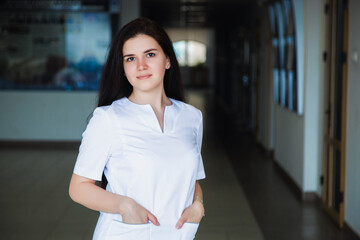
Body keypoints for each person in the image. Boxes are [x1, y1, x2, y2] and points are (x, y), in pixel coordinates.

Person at [69, 17, 206, 240]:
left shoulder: (192, 117)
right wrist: (124, 205)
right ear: (123, 68)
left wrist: (198, 205)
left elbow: (192, 179)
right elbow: (78, 187)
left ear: (168, 60)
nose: (141, 65)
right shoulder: (108, 119)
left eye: (150, 54)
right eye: (130, 58)